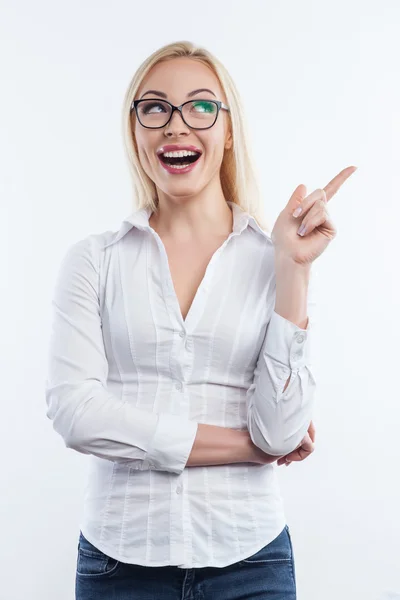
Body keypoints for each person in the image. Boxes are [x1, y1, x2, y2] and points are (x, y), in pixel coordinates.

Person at [45, 40, 356, 600]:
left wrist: (294, 269)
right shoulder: (94, 260)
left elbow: (283, 431)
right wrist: (248, 446)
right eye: (155, 107)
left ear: (228, 129)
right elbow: (76, 413)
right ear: (135, 129)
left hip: (251, 558)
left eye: (201, 106)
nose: (176, 125)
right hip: (120, 561)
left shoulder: (271, 257)